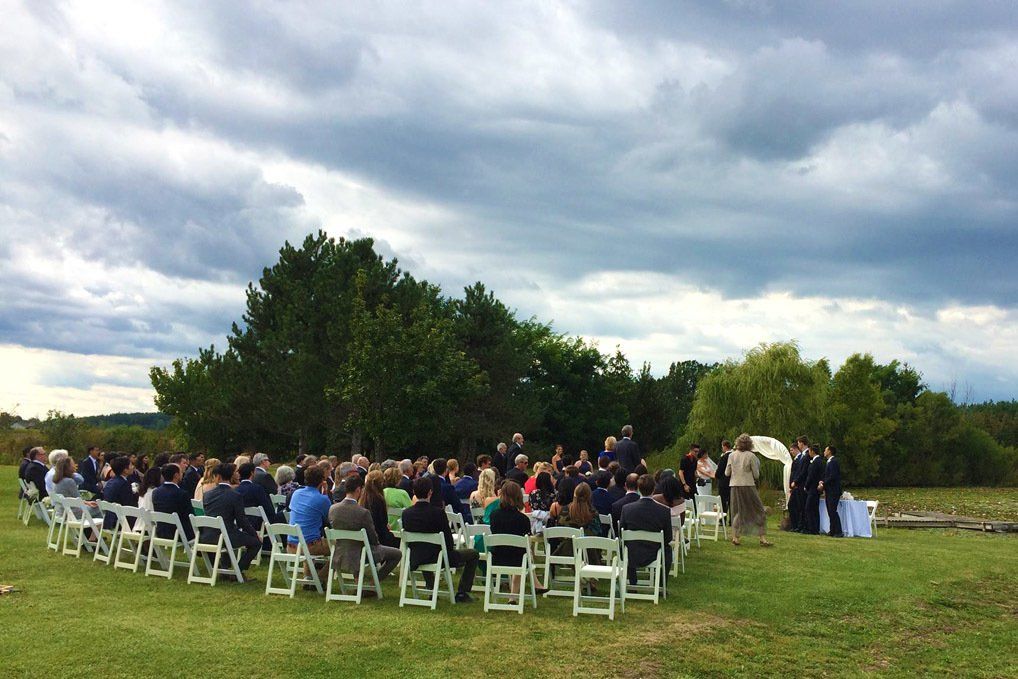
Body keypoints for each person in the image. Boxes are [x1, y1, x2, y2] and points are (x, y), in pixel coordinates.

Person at [401, 478, 480, 603]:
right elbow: (448, 541)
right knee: (474, 554)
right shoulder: (438, 513)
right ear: (430, 492)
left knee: (424, 547)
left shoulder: (406, 513)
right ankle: (462, 592)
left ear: (414, 492)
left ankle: (432, 588)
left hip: (416, 557)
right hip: (438, 557)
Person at [329, 474, 401, 585]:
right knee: (397, 554)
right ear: (358, 489)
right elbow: (373, 538)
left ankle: (361, 582)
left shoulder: (333, 509)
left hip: (340, 551)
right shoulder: (363, 512)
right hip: (361, 552)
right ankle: (373, 583)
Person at [199, 463, 261, 576]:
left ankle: (225, 569)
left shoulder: (207, 494)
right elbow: (242, 521)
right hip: (225, 537)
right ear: (230, 476)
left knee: (232, 534)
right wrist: (255, 534)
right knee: (255, 543)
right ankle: (238, 570)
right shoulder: (235, 495)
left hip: (207, 536)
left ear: (218, 477)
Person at [619, 474, 672, 583]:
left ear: (638, 489)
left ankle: (632, 581)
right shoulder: (664, 511)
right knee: (667, 549)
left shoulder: (627, 509)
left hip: (632, 552)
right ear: (654, 489)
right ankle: (661, 584)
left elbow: (621, 533)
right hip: (654, 552)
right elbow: (668, 537)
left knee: (625, 545)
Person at [725, 433, 772, 547]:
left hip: (735, 486)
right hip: (748, 485)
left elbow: (727, 473)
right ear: (750, 444)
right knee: (758, 510)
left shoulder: (731, 455)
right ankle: (762, 537)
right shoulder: (751, 456)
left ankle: (736, 537)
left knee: (736, 511)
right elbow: (756, 475)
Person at [286, 465, 332, 580]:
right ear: (322, 481)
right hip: (309, 546)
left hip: (291, 545)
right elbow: (330, 517)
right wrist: (325, 492)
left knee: (308, 536)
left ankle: (309, 578)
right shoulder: (322, 499)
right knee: (340, 548)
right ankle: (320, 579)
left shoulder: (296, 494)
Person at [488, 480, 532, 597]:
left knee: (520, 552)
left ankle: (514, 595)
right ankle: (513, 595)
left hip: (497, 557)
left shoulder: (494, 516)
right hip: (517, 560)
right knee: (523, 552)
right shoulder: (523, 519)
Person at [152, 463, 195, 541]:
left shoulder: (156, 492)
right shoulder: (181, 494)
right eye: (181, 472)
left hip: (161, 531)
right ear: (176, 475)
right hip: (178, 533)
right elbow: (189, 515)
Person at [360, 470, 399, 548]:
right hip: (378, 540)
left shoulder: (362, 499)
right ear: (381, 483)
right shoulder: (378, 500)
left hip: (367, 540)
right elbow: (381, 528)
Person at [236, 462, 279, 527]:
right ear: (252, 473)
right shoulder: (257, 489)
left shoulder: (236, 490)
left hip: (242, 523)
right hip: (258, 524)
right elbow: (268, 508)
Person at [102, 455, 138, 530]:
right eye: (131, 465)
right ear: (125, 470)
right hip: (119, 520)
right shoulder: (124, 484)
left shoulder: (111, 481)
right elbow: (129, 504)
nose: (133, 467)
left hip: (109, 518)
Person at [819, 446, 844, 538]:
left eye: (825, 450)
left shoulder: (833, 462)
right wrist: (822, 481)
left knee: (833, 510)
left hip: (833, 490)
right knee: (830, 511)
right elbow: (827, 475)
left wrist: (824, 484)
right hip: (829, 490)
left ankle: (838, 531)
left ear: (829, 451)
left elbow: (833, 476)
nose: (824, 452)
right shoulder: (829, 462)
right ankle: (832, 530)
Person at [788, 436, 810, 532]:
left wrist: (795, 482)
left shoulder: (805, 456)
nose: (798, 445)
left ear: (802, 443)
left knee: (799, 506)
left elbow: (802, 472)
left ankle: (800, 525)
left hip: (800, 485)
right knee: (797, 506)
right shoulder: (801, 457)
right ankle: (798, 526)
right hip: (797, 485)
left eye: (798, 443)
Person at [802, 445, 825, 535]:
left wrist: (806, 486)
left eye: (809, 451)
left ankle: (811, 528)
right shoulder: (821, 461)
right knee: (815, 509)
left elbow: (811, 476)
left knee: (809, 508)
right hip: (817, 489)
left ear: (812, 451)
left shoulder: (815, 462)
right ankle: (816, 528)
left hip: (812, 488)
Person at [716, 440, 733, 516]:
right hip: (732, 481)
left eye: (722, 447)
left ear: (725, 447)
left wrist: (716, 475)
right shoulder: (735, 455)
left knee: (722, 501)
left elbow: (720, 470)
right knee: (731, 501)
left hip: (723, 481)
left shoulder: (724, 457)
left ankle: (723, 518)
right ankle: (732, 519)